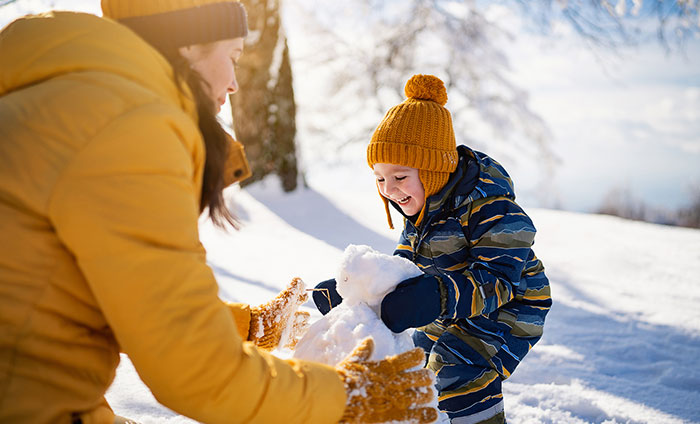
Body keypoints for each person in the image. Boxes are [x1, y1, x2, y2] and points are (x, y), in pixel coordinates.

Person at [0, 2, 439, 423]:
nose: (233, 82)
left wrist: (248, 327)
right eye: (232, 55)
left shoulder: (69, 104)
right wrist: (341, 397)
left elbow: (125, 297)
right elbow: (193, 368)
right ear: (189, 45)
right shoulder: (125, 129)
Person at [313, 74, 552, 423]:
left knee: (457, 365)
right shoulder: (422, 208)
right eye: (380, 179)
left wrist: (435, 297)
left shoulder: (488, 205)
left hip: (511, 306)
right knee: (414, 361)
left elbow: (499, 279)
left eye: (399, 177)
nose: (389, 189)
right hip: (453, 304)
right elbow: (402, 269)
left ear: (433, 169)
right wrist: (356, 293)